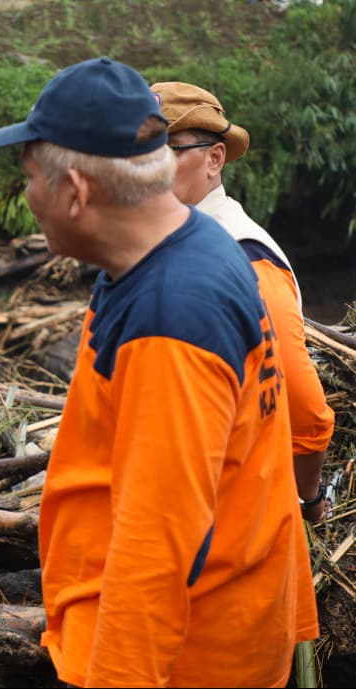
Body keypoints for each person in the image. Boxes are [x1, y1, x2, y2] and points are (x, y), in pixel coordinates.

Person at [0, 57, 317, 687]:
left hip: (185, 659)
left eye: (29, 178)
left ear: (75, 192)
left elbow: (155, 556)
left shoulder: (172, 318)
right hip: (208, 631)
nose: (26, 197)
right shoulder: (186, 246)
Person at [152, 80, 335, 524]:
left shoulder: (246, 258)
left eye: (168, 149)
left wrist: (308, 501)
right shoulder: (166, 244)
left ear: (215, 158)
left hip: (232, 522)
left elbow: (307, 414)